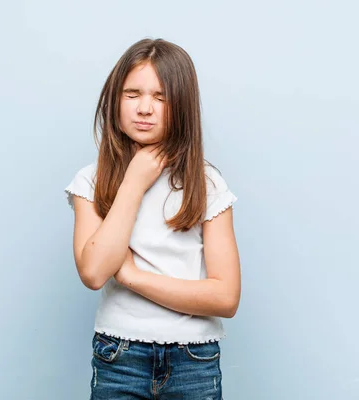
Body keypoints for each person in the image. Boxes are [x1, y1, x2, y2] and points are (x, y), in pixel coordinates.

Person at [64, 38, 241, 400]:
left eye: (161, 97)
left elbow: (226, 297)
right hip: (119, 356)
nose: (145, 108)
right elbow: (95, 271)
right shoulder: (90, 181)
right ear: (114, 99)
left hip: (194, 359)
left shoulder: (206, 183)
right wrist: (134, 180)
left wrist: (132, 276)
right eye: (133, 94)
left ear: (183, 106)